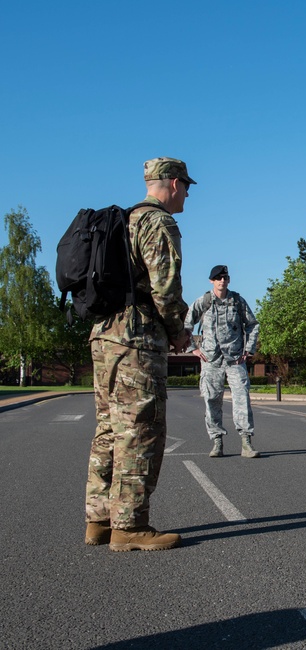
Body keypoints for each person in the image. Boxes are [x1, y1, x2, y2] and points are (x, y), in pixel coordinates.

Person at [84, 157, 192, 552]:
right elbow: (165, 288)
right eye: (187, 187)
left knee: (109, 429)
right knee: (140, 431)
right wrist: (178, 331)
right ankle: (129, 526)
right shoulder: (158, 223)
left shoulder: (122, 220)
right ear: (175, 183)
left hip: (104, 336)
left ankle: (98, 519)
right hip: (136, 340)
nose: (187, 195)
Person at [185, 265, 261, 459]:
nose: (222, 281)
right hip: (211, 359)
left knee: (242, 398)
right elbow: (186, 324)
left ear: (228, 280)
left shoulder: (237, 301)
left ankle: (246, 442)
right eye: (218, 278)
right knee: (211, 400)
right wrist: (192, 348)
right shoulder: (204, 301)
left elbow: (252, 324)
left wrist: (248, 350)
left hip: (235, 358)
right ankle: (217, 441)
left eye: (225, 277)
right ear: (212, 280)